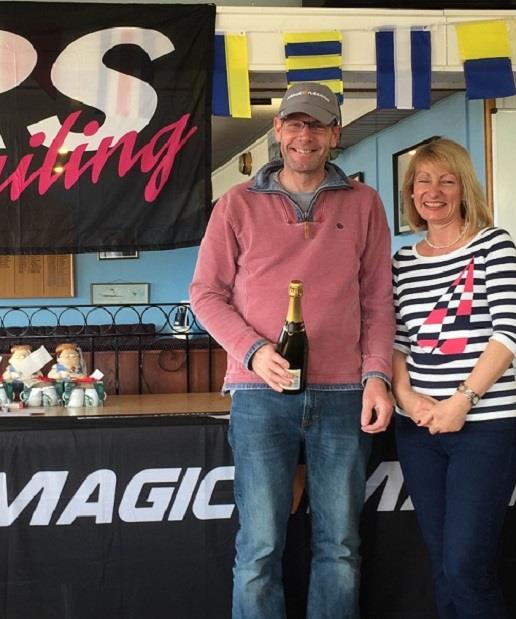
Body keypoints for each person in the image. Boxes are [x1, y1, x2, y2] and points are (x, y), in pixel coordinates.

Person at [190, 82, 395, 618]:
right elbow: (205, 295)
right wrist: (254, 351)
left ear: (335, 134)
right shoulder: (235, 204)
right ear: (277, 131)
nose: (306, 135)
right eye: (296, 124)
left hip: (344, 394)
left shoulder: (366, 203)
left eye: (318, 125)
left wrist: (377, 375)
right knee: (259, 549)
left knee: (341, 549)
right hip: (259, 394)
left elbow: (377, 299)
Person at [391, 138, 516, 619]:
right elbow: (399, 344)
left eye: (446, 180)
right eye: (423, 181)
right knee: (444, 569)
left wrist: (462, 400)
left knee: (467, 565)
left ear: (464, 188)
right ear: (410, 193)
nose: (434, 191)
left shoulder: (494, 244)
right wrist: (407, 398)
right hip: (420, 432)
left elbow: (509, 333)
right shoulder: (403, 263)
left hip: (483, 429)